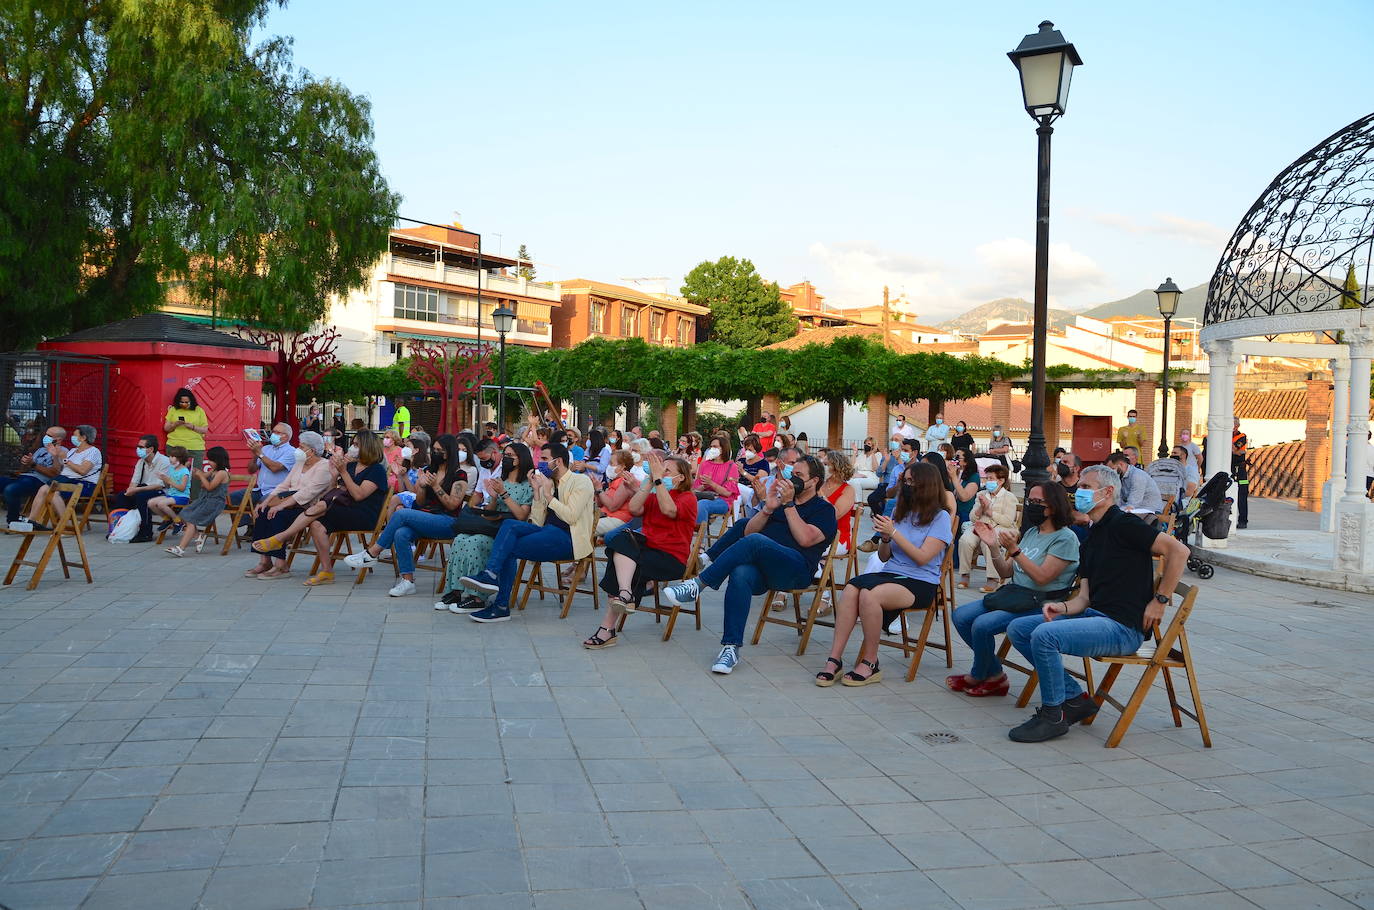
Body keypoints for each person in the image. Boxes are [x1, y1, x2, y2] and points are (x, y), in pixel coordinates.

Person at [1004, 465, 1190, 742]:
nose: (1079, 492)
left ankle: (1053, 715)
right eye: (1079, 486)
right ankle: (1074, 698)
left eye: (1086, 488)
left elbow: (1179, 551)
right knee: (1019, 628)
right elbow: (1084, 598)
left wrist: (1160, 600)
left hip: (1123, 628)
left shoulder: (1124, 524)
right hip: (1094, 615)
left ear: (1108, 492)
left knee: (1044, 635)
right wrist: (1062, 608)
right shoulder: (1091, 536)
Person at [662, 455, 837, 675]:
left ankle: (699, 585)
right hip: (766, 571)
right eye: (792, 474)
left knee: (757, 542)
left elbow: (805, 539)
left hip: (796, 571)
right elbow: (747, 532)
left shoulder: (824, 510)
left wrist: (789, 504)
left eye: (799, 476)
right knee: (740, 572)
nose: (793, 479)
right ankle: (730, 648)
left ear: (814, 481)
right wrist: (768, 508)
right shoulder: (781, 503)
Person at [814, 461, 950, 687]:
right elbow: (886, 557)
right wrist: (885, 539)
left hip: (921, 581)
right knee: (851, 588)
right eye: (904, 481)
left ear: (926, 485)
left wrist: (893, 533)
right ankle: (834, 659)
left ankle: (870, 661)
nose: (906, 486)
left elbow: (922, 558)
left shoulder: (940, 517)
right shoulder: (901, 511)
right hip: (893, 573)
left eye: (911, 482)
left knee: (870, 595)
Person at [948, 482, 1080, 697]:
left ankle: (981, 674)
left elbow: (1042, 578)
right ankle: (993, 674)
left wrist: (1015, 550)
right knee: (961, 616)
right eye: (1030, 501)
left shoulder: (1065, 538)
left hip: (1041, 602)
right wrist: (992, 545)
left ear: (1054, 506)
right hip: (1015, 595)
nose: (1032, 506)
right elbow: (1006, 572)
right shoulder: (1031, 532)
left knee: (982, 625)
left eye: (1039, 502)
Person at [458, 442, 596, 623]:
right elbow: (537, 521)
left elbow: (571, 516)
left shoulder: (581, 481)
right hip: (547, 532)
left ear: (559, 461)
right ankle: (491, 577)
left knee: (509, 547)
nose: (541, 463)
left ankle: (499, 603)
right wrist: (538, 492)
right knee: (509, 525)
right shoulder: (550, 484)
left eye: (545, 459)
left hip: (569, 539)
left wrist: (548, 496)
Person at [583, 455, 699, 648]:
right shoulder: (654, 491)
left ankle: (609, 627)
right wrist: (648, 482)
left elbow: (669, 510)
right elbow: (635, 509)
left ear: (681, 478)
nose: (660, 472)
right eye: (660, 469)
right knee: (619, 540)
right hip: (647, 550)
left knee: (624, 561)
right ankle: (625, 593)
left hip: (671, 559)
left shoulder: (688, 498)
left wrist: (658, 480)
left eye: (666, 470)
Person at [433, 442, 536, 614]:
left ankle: (477, 597)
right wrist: (494, 498)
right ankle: (456, 591)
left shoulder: (528, 485)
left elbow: (521, 516)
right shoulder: (501, 480)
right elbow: (489, 512)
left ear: (521, 459)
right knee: (459, 540)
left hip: (508, 532)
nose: (507, 459)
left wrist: (503, 494)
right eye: (506, 455)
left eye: (511, 456)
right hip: (493, 526)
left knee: (475, 542)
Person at [244, 431, 334, 580]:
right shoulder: (300, 463)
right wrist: (266, 502)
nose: (298, 449)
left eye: (301, 446)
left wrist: (280, 506)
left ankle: (281, 565)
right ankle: (265, 561)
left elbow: (307, 493)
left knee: (278, 515)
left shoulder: (324, 467)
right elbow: (284, 485)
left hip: (308, 507)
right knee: (263, 511)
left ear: (311, 451)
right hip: (289, 502)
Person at [23, 425, 102, 531]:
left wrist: (65, 459)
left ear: (83, 438)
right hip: (65, 478)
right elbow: (59, 469)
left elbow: (83, 471)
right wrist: (55, 456)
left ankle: (64, 525)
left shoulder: (94, 452)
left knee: (54, 493)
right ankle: (32, 522)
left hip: (83, 483)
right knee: (43, 489)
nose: (72, 437)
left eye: (75, 435)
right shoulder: (73, 451)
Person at [956, 463, 1017, 592]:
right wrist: (981, 508)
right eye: (986, 478)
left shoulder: (1009, 497)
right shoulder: (981, 494)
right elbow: (972, 517)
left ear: (1001, 481)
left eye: (991, 479)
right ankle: (965, 574)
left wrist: (990, 513)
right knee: (965, 540)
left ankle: (992, 578)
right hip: (980, 526)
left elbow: (1007, 520)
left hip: (1000, 528)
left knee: (988, 542)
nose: (987, 481)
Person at [165, 447, 231, 556]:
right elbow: (202, 480)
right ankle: (198, 536)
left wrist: (201, 476)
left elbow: (209, 487)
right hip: (203, 500)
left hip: (214, 503)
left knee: (191, 520)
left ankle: (181, 548)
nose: (209, 462)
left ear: (218, 460)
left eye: (211, 460)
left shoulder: (222, 473)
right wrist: (197, 473)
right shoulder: (213, 471)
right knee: (184, 513)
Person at [0, 425, 67, 529]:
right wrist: (26, 462)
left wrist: (34, 464)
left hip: (40, 481)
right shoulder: (41, 450)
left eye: (49, 435)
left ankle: (13, 520)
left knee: (11, 490)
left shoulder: (63, 451)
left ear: (58, 439)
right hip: (25, 477)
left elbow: (55, 473)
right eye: (46, 434)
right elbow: (26, 470)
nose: (46, 437)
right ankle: (16, 520)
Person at [232, 423, 297, 526]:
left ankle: (253, 524)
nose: (273, 434)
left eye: (277, 432)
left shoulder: (292, 452)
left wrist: (260, 453)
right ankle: (248, 523)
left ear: (286, 436)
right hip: (259, 489)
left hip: (276, 492)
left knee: (261, 504)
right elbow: (251, 470)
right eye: (273, 431)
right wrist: (254, 455)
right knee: (233, 497)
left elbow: (275, 468)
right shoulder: (266, 448)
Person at [112, 435, 172, 542]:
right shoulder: (141, 462)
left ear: (151, 449)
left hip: (162, 491)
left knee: (141, 497)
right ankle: (121, 528)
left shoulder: (164, 461)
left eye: (141, 447)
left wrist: (135, 490)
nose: (138, 450)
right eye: (138, 447)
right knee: (122, 496)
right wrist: (130, 490)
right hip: (145, 488)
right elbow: (134, 481)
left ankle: (146, 532)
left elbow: (159, 485)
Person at [164, 388, 209, 497]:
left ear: (191, 401)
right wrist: (175, 424)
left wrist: (192, 427)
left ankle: (193, 500)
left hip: (195, 446)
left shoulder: (199, 410)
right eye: (182, 402)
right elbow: (166, 428)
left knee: (195, 474)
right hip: (175, 445)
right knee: (173, 473)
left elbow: (205, 429)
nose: (184, 404)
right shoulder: (174, 410)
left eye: (186, 402)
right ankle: (173, 499)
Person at [694, 437, 740, 526]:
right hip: (704, 496)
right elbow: (696, 489)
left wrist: (711, 483)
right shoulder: (705, 464)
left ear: (723, 449)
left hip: (722, 500)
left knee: (702, 505)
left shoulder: (731, 466)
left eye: (715, 447)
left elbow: (727, 493)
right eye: (711, 447)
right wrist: (704, 485)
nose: (712, 449)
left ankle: (697, 533)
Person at [145, 446, 192, 534]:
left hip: (182, 497)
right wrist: (163, 479)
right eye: (169, 456)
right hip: (171, 495)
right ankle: (167, 519)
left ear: (180, 458)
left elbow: (182, 488)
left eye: (172, 456)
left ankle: (178, 521)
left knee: (161, 504)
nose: (169, 458)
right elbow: (168, 485)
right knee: (151, 503)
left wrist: (169, 480)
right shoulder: (171, 469)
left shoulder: (184, 471)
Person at [595, 449, 640, 537]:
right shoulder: (614, 481)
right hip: (606, 516)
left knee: (585, 527)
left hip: (618, 519)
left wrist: (600, 490)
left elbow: (612, 507)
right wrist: (597, 491)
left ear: (622, 466)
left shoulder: (626, 481)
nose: (609, 466)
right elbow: (600, 504)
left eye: (611, 464)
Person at [1107, 450, 1164, 517]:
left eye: (1113, 468)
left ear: (1121, 464)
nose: (1111, 472)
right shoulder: (1121, 476)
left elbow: (1133, 504)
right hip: (1137, 509)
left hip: (1150, 511)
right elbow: (1119, 500)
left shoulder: (1137, 476)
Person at [1231, 417, 1250, 528]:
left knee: (1242, 495)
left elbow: (1234, 450)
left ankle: (1243, 520)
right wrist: (1238, 451)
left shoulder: (1242, 436)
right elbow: (1236, 451)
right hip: (1230, 468)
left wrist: (1237, 451)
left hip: (1241, 470)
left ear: (1236, 426)